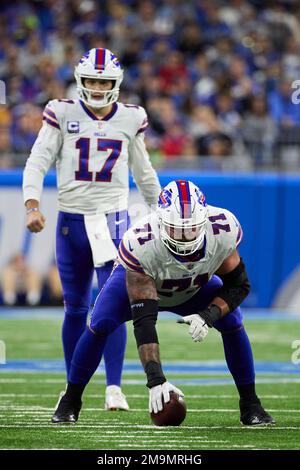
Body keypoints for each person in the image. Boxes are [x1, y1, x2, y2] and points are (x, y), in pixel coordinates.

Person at [52, 180, 275, 426]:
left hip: (191, 287)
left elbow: (239, 286)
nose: (183, 236)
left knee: (232, 319)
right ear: (160, 221)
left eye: (191, 228)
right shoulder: (141, 242)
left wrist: (208, 315)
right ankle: (70, 401)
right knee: (101, 321)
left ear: (204, 220)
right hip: (145, 286)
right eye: (176, 229)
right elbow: (144, 320)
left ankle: (251, 404)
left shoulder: (222, 229)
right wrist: (155, 379)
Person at [23, 47, 161, 411]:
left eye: (104, 81)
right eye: (91, 80)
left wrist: (160, 210)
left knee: (110, 307)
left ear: (115, 84)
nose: (98, 87)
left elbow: (143, 172)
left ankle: (114, 386)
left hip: (114, 221)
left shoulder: (131, 118)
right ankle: (74, 387)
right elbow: (37, 161)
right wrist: (32, 204)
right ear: (80, 80)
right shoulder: (61, 112)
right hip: (72, 221)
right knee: (75, 309)